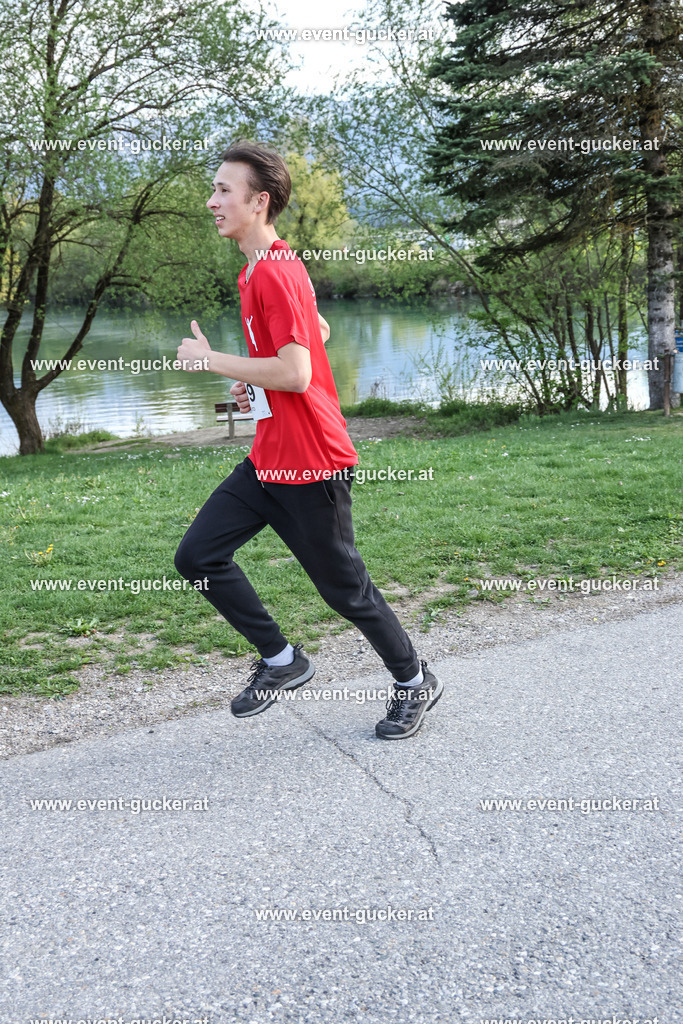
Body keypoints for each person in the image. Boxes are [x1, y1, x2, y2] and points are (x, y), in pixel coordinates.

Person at [174, 140, 443, 740]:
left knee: (345, 592)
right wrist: (257, 388)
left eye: (223, 190)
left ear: (259, 201)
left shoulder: (275, 272)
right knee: (197, 557)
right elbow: (312, 335)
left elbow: (297, 372)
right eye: (214, 188)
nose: (212, 200)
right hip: (268, 459)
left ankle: (413, 679)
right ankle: (281, 660)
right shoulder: (257, 271)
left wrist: (215, 361)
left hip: (312, 463)